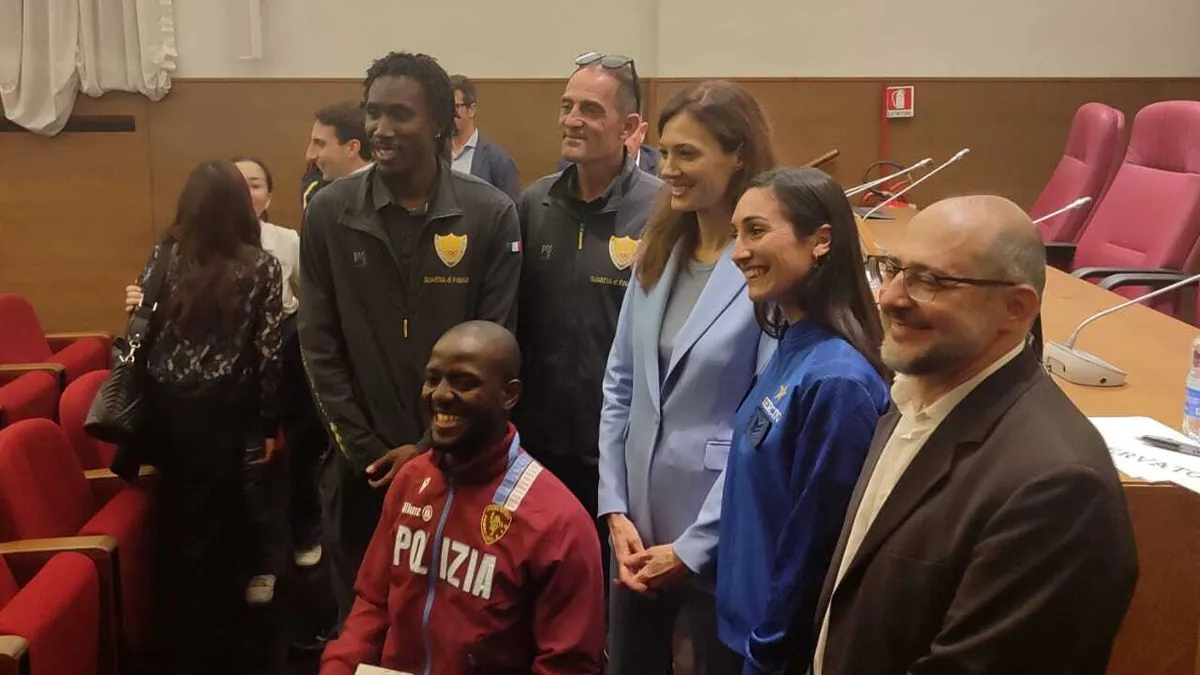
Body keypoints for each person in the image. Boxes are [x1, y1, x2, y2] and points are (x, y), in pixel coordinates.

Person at [813, 196, 1138, 674]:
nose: (890, 298)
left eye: (930, 281)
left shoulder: (1056, 488)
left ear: (1015, 307)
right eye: (893, 269)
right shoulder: (915, 393)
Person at [299, 51, 522, 627]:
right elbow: (318, 347)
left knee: (450, 631)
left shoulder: (490, 214)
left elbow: (496, 347)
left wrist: (427, 449)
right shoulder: (328, 212)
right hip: (360, 473)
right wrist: (368, 453)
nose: (381, 128)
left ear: (441, 122)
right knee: (364, 627)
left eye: (400, 114)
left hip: (461, 470)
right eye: (373, 113)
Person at [597, 80, 776, 675]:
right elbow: (620, 385)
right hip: (635, 532)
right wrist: (614, 508)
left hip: (718, 533)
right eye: (665, 152)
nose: (667, 169)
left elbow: (764, 423)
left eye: (687, 154)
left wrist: (694, 546)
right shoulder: (658, 247)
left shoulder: (762, 266)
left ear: (739, 156)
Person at [319, 321, 605, 675]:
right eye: (432, 378)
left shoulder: (558, 522)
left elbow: (567, 664)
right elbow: (374, 603)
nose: (439, 394)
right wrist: (339, 666)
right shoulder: (411, 480)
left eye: (464, 382)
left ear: (510, 395)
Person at [717, 167, 890, 673]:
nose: (738, 252)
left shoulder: (838, 382)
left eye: (756, 231)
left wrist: (767, 654)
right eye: (736, 234)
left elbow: (815, 552)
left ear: (821, 241)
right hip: (742, 630)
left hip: (774, 652)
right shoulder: (794, 343)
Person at [514, 53, 662, 567]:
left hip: (620, 449)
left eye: (591, 110)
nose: (572, 120)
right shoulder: (533, 204)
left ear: (629, 127)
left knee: (606, 579)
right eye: (567, 106)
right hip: (538, 441)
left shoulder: (662, 211)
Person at [137, 160, 283, 673]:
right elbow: (269, 353)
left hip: (162, 408)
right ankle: (214, 639)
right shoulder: (260, 267)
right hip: (222, 410)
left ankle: (175, 632)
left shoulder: (166, 254)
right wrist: (270, 423)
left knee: (173, 516)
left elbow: (142, 325)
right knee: (216, 522)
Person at [450, 74, 521, 202]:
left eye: (455, 107)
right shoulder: (434, 154)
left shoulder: (499, 161)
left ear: (471, 109)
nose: (449, 113)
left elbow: (511, 209)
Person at [302, 101, 372, 213]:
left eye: (320, 144)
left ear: (352, 148)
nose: (309, 155)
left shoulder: (391, 193)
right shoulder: (316, 190)